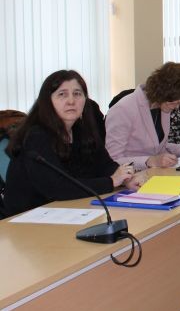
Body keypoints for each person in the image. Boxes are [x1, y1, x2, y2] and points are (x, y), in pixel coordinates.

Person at [3, 70, 147, 217]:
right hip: (27, 218)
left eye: (77, 94)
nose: (71, 101)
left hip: (68, 211)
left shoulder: (82, 130)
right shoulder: (36, 136)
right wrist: (112, 181)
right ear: (47, 101)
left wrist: (126, 179)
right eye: (62, 94)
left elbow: (104, 165)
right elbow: (57, 188)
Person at [105, 62, 180, 171]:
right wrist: (149, 161)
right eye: (175, 102)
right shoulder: (123, 109)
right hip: (132, 176)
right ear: (163, 92)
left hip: (156, 173)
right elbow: (113, 160)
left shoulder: (162, 105)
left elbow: (157, 147)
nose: (177, 107)